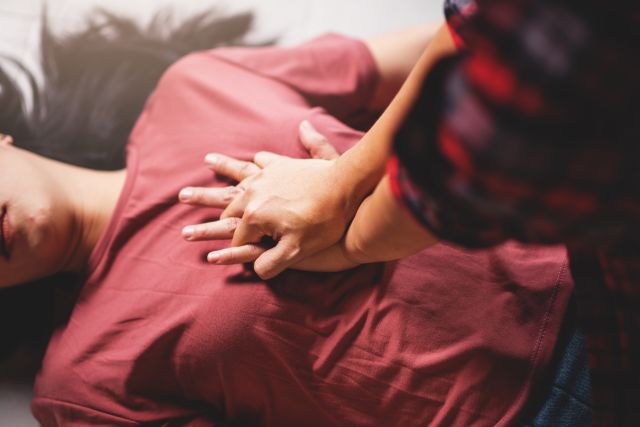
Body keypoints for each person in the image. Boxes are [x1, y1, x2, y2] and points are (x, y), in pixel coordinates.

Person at [0, 11, 576, 426]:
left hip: (591, 252)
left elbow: (482, 41)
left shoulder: (197, 85)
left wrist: (350, 176)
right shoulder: (78, 388)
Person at [182, 1, 639, 424]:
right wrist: (345, 182)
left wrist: (349, 222)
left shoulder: (194, 84)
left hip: (586, 290)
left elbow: (474, 147)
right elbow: (474, 28)